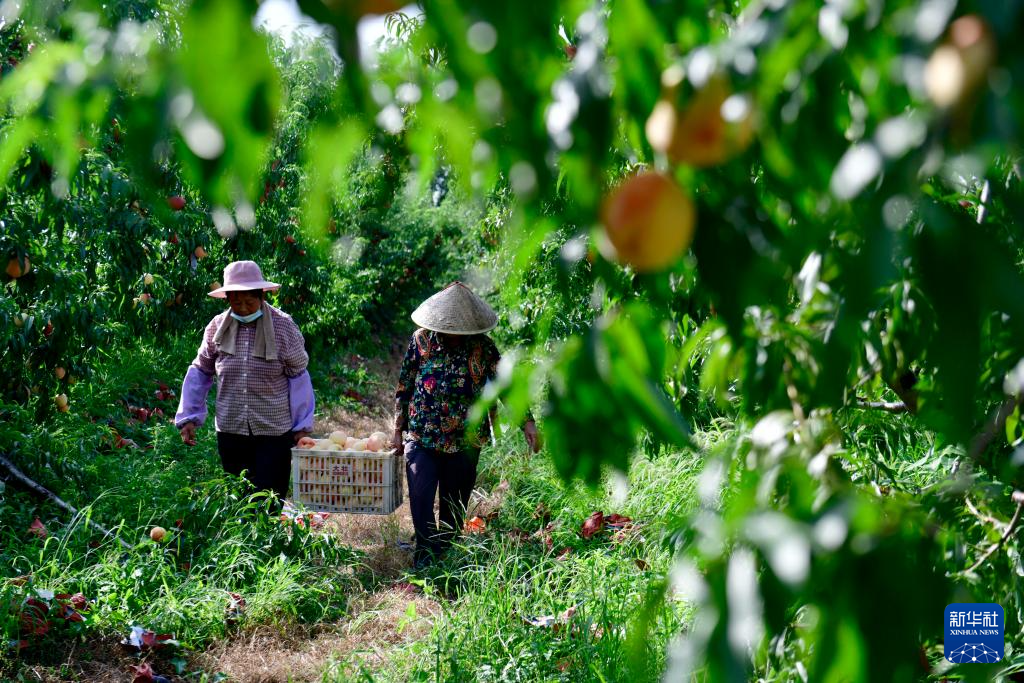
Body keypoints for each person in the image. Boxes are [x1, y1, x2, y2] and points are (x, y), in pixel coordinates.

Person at [391, 281, 540, 568]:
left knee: (453, 506)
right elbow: (404, 386)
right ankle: (424, 555)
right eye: (449, 330)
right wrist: (398, 431)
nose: (453, 336)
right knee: (421, 497)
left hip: (465, 441)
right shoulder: (421, 341)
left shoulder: (483, 348)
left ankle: (444, 559)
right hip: (423, 435)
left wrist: (528, 423)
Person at [174, 260, 314, 501]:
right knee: (238, 497)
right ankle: (244, 539)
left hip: (273, 429)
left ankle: (270, 538)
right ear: (228, 299)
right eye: (236, 302)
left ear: (262, 296)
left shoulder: (283, 327)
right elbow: (201, 370)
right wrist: (189, 416)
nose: (244, 308)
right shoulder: (217, 327)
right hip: (231, 428)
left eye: (249, 302)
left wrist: (301, 428)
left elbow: (298, 377)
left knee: (269, 496)